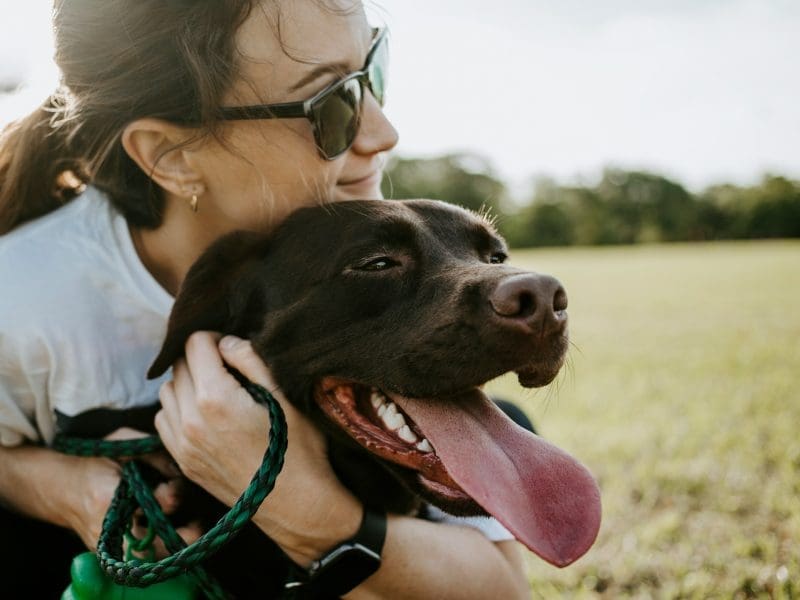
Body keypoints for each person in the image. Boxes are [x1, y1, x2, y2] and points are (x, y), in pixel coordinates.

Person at [0, 1, 531, 598]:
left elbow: (501, 590)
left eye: (372, 71)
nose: (383, 132)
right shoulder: (20, 298)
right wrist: (67, 488)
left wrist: (307, 511)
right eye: (331, 105)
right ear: (171, 156)